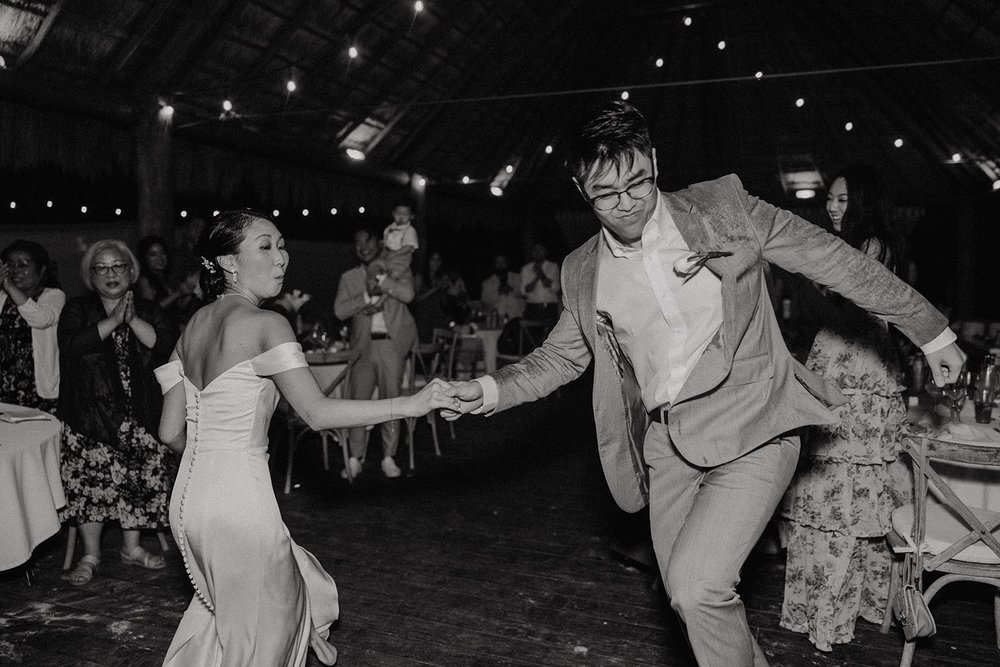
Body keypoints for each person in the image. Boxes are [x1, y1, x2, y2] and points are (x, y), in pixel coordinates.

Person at [443, 101, 965, 666]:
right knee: (689, 599)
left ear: (655, 161)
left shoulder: (724, 209)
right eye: (606, 193)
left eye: (638, 182)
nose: (627, 205)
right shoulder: (580, 269)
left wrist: (932, 332)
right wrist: (492, 390)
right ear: (579, 188)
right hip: (668, 448)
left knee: (697, 587)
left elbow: (832, 259)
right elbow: (560, 359)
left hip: (753, 424)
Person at [155, 211, 456, 666]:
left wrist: (211, 461)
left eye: (282, 245)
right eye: (265, 247)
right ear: (228, 262)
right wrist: (412, 404)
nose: (281, 259)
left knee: (241, 613)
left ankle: (304, 631)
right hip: (240, 500)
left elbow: (170, 431)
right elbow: (317, 414)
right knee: (257, 646)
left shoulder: (192, 326)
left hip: (188, 503)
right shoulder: (265, 323)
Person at [780, 166, 910, 651]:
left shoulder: (869, 247)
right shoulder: (863, 246)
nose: (832, 207)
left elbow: (841, 313)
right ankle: (835, 608)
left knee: (841, 499)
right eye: (831, 199)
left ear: (864, 204)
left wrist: (792, 277)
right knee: (842, 498)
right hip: (848, 365)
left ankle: (830, 615)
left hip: (854, 373)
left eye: (841, 200)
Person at [58, 239, 177, 586]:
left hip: (140, 413)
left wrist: (133, 320)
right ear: (91, 275)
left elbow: (166, 346)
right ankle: (91, 554)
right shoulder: (77, 309)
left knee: (138, 483)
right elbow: (70, 346)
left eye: (118, 266)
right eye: (102, 268)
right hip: (89, 415)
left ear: (131, 271)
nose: (111, 274)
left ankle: (132, 548)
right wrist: (112, 321)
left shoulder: (151, 309)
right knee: (91, 487)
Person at [334, 227, 420, 478]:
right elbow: (339, 311)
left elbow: (409, 294)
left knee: (391, 401)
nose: (363, 248)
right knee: (358, 401)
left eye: (367, 241)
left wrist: (384, 282)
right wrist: (364, 296)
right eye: (358, 244)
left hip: (391, 344)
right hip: (362, 346)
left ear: (378, 242)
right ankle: (354, 457)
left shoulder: (398, 270)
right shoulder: (349, 277)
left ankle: (388, 456)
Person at [0, 240, 64, 412]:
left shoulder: (53, 295)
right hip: (5, 386)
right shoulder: (2, 297)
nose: (15, 271)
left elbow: (41, 319)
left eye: (23, 265)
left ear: (41, 269)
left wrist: (9, 286)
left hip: (39, 388)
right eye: (10, 265)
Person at [135, 235, 199, 326]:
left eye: (163, 253)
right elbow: (151, 311)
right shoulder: (143, 280)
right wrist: (178, 293)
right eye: (153, 255)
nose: (160, 258)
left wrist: (189, 291)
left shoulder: (167, 277)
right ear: (144, 258)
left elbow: (178, 308)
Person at [368, 198, 420, 280]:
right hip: (387, 256)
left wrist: (394, 254)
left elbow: (409, 247)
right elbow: (385, 243)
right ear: (393, 213)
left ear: (411, 216)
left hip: (401, 260)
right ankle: (376, 286)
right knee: (374, 267)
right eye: (398, 214)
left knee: (394, 275)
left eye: (405, 214)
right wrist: (382, 246)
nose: (401, 217)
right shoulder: (388, 229)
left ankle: (389, 286)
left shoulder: (410, 230)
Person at [519, 242, 560, 321]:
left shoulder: (553, 266)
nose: (538, 252)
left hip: (550, 307)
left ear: (545, 252)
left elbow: (555, 288)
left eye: (540, 249)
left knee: (551, 333)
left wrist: (541, 273)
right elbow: (524, 291)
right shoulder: (526, 269)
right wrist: (537, 277)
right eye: (535, 250)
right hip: (533, 307)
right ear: (532, 253)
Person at [480, 253, 524, 322]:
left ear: (507, 263)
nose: (500, 264)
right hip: (497, 318)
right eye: (498, 262)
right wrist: (499, 292)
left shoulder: (517, 277)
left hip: (516, 316)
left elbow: (524, 294)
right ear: (494, 265)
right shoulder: (488, 282)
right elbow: (485, 299)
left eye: (502, 262)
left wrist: (511, 289)